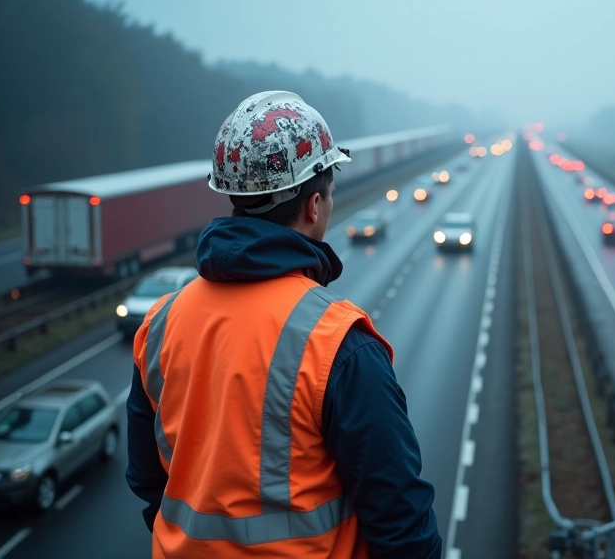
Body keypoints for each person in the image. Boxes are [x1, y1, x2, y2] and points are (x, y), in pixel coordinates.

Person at [125, 91, 442, 558]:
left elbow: (147, 480)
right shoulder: (339, 345)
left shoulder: (160, 325)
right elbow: (401, 522)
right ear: (315, 205)